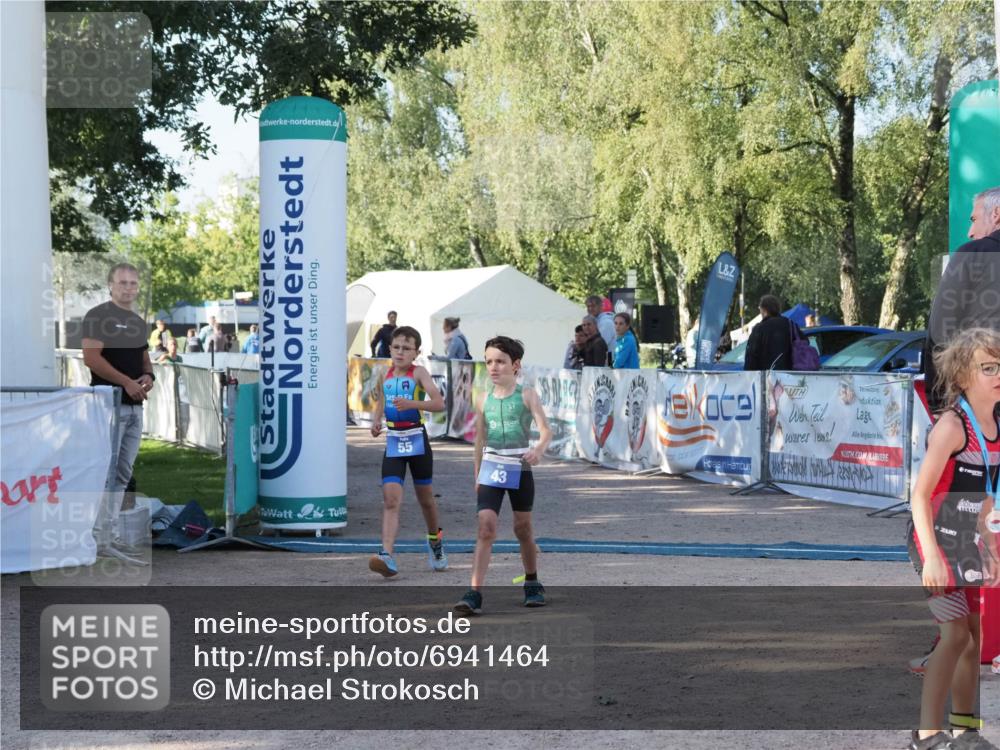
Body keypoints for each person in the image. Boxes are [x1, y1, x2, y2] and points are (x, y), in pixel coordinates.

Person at [906, 327, 1000, 750]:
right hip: (932, 540)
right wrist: (931, 558)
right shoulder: (951, 426)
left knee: (974, 638)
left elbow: (980, 494)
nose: (998, 374)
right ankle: (926, 734)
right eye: (988, 367)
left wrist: (988, 542)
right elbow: (920, 494)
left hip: (964, 540)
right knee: (955, 635)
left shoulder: (995, 427)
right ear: (963, 377)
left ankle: (965, 730)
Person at [455, 335, 552, 615]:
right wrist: (476, 472)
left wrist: (539, 450)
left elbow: (546, 429)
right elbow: (479, 439)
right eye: (489, 362)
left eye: (500, 361)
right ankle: (474, 592)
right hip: (491, 467)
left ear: (516, 365)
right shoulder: (483, 398)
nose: (494, 367)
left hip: (520, 466)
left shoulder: (527, 395)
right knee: (486, 526)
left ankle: (532, 582)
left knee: (522, 529)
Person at [81, 262, 154, 564]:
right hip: (109, 405)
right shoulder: (97, 316)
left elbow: (146, 362)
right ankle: (91, 536)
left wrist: (148, 379)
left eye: (133, 283)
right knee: (104, 471)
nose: (128, 288)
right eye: (123, 283)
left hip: (135, 407)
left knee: (123, 472)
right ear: (110, 285)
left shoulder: (137, 321)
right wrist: (125, 382)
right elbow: (91, 359)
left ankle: (106, 537)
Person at [369, 326, 448, 577]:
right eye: (396, 347)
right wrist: (375, 420)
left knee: (426, 500)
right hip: (394, 440)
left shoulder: (419, 373)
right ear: (389, 348)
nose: (400, 352)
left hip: (416, 440)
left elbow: (438, 403)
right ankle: (387, 555)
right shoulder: (385, 374)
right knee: (391, 499)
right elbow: (380, 402)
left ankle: (435, 541)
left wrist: (413, 403)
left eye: (406, 348)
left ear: (416, 352)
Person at [924, 186, 1000, 413]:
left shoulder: (974, 255)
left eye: (974, 219)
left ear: (996, 214)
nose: (970, 231)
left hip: (981, 407)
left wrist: (939, 405)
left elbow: (939, 333)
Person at [743, 295, 797, 371]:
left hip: (766, 377)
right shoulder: (790, 324)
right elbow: (803, 342)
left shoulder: (759, 328)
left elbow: (751, 356)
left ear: (764, 309)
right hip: (790, 375)